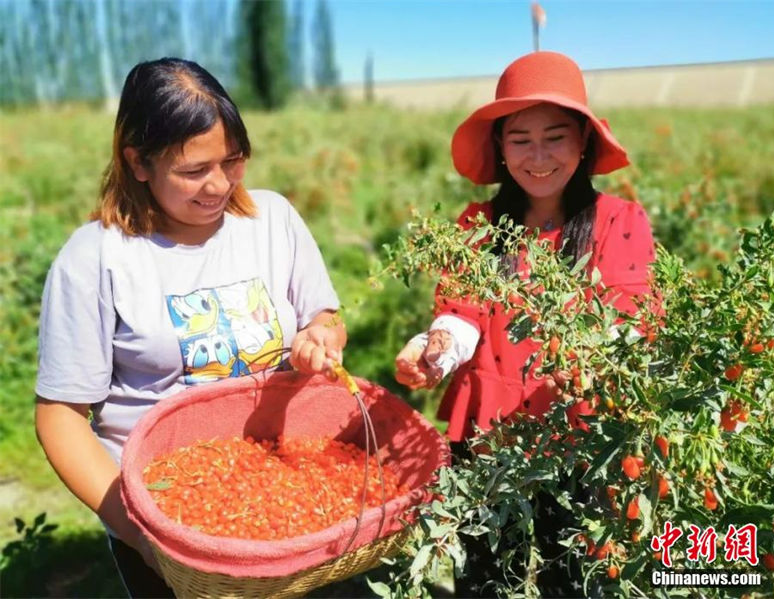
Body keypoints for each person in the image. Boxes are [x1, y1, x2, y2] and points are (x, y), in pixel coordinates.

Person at [34, 58, 345, 598]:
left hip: (278, 493)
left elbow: (324, 316)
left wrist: (320, 337)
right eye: (194, 170)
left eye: (233, 161)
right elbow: (60, 416)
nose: (219, 185)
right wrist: (143, 534)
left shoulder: (271, 221)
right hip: (164, 509)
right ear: (138, 162)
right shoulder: (97, 258)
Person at [395, 51, 656, 597]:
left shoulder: (618, 222)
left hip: (579, 435)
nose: (538, 156)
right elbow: (461, 314)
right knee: (485, 571)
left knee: (575, 571)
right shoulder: (478, 225)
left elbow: (628, 321)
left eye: (555, 136)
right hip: (489, 434)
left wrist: (591, 364)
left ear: (583, 141)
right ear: (501, 148)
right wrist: (434, 350)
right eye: (520, 140)